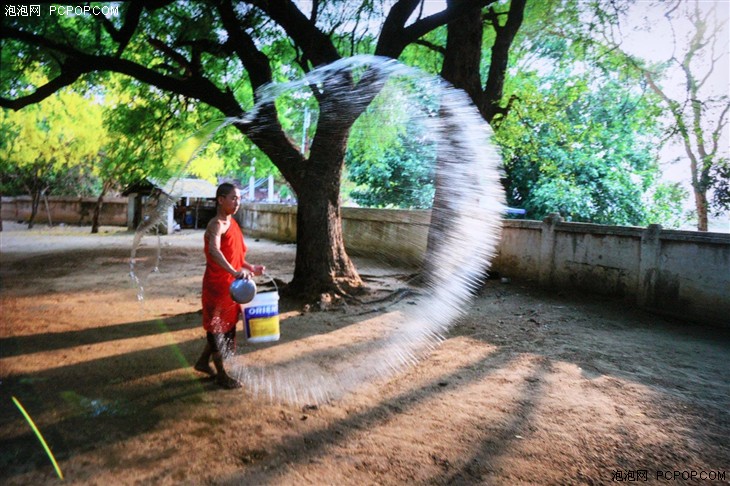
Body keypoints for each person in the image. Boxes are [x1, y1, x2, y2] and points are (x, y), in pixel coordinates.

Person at [194, 183, 265, 389]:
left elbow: (235, 256)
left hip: (232, 288)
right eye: (233, 198)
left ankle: (201, 362)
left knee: (225, 326)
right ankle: (221, 374)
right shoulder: (216, 224)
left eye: (239, 199)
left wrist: (251, 267)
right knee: (217, 329)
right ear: (220, 200)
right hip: (217, 286)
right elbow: (215, 251)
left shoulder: (232, 223)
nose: (237, 202)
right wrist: (234, 272)